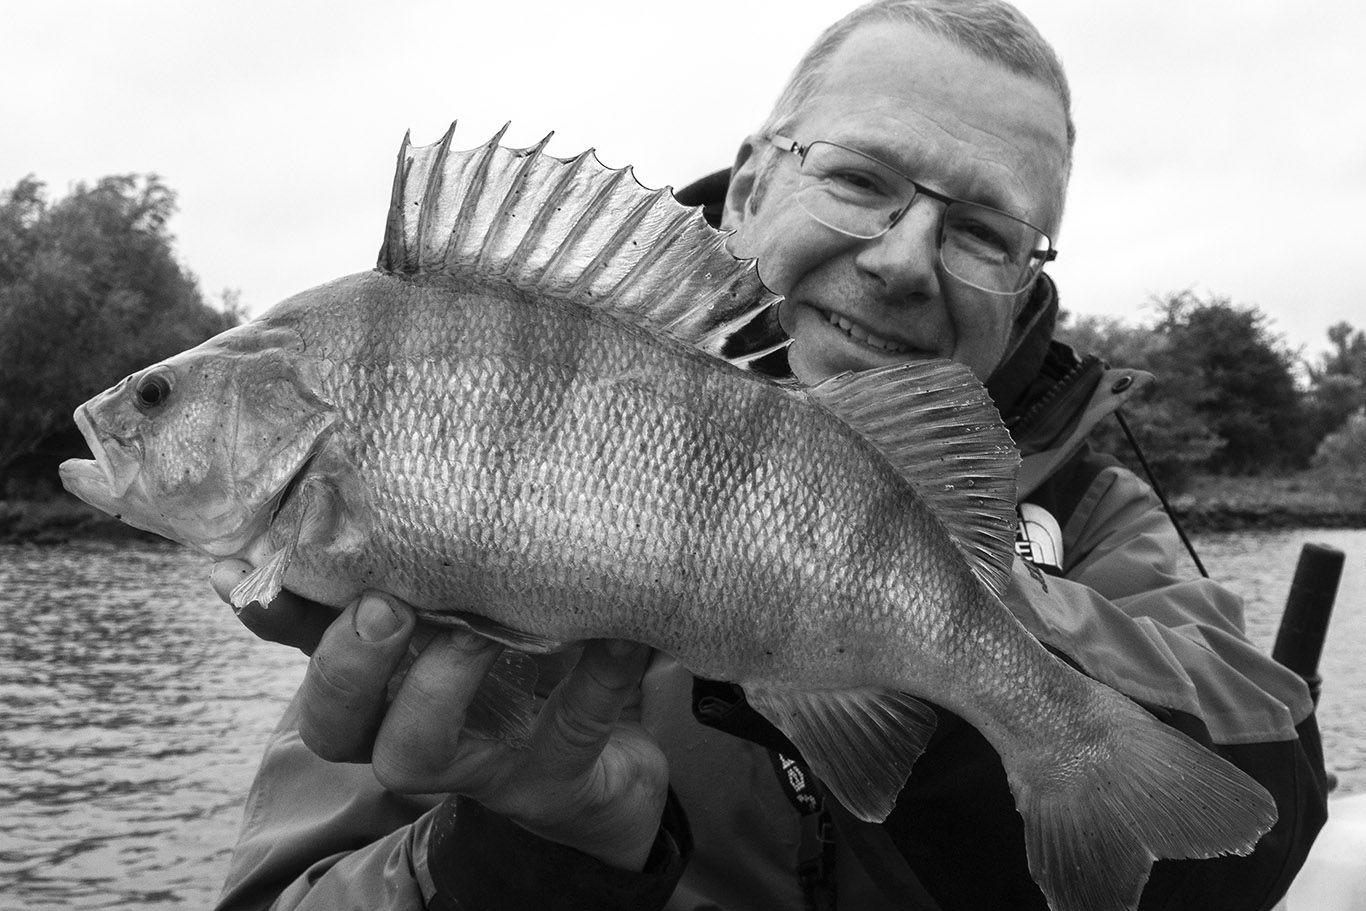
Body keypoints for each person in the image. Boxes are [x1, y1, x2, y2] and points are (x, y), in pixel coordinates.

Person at [208, 1, 1328, 908]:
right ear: (750, 185)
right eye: (860, 179)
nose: (903, 258)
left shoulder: (1091, 507)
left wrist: (912, 601)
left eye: (984, 232)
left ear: (1028, 279)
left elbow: (1266, 796)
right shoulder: (433, 508)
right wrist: (534, 847)